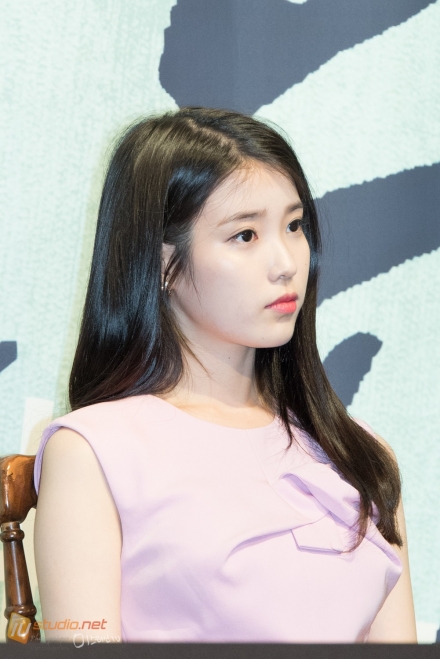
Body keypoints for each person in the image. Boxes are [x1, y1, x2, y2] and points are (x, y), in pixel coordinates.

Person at [33, 107, 417, 644]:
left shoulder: (358, 452)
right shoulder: (93, 452)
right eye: (245, 235)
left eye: (294, 226)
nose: (286, 263)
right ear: (163, 263)